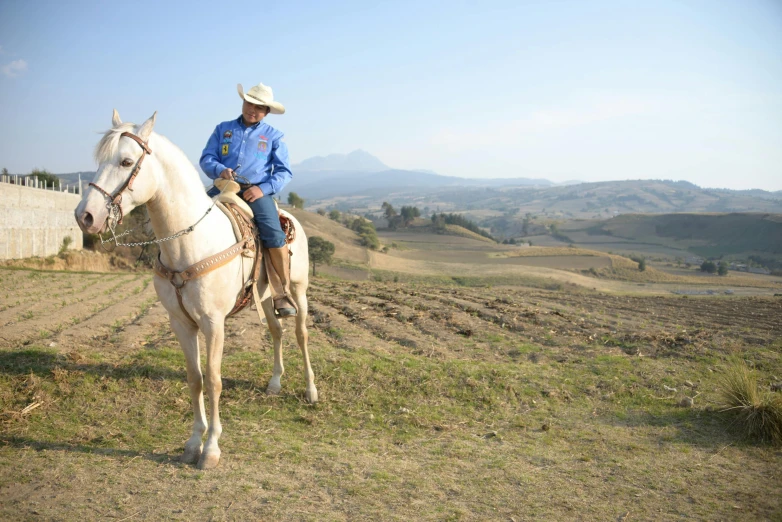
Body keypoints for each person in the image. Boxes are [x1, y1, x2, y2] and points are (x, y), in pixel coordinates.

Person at [199, 82, 297, 317]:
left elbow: (284, 172)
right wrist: (220, 169)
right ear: (243, 102)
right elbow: (207, 158)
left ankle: (282, 293)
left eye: (260, 108)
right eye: (250, 103)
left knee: (273, 234)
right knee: (195, 216)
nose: (253, 110)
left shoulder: (274, 136)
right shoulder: (223, 129)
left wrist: (263, 189)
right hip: (224, 186)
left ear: (267, 112)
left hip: (256, 191)